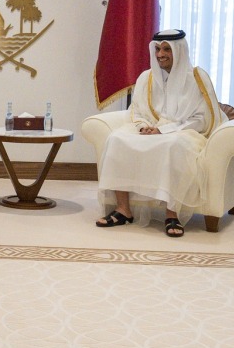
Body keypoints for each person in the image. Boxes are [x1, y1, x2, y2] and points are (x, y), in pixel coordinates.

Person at [95, 30, 226, 237]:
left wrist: (163, 130)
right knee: (116, 139)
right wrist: (143, 127)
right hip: (151, 129)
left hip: (184, 132)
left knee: (172, 145)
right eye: (157, 49)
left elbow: (202, 120)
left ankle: (171, 214)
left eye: (166, 49)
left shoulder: (196, 78)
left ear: (179, 50)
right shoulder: (146, 78)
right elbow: (137, 111)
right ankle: (123, 209)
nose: (160, 54)